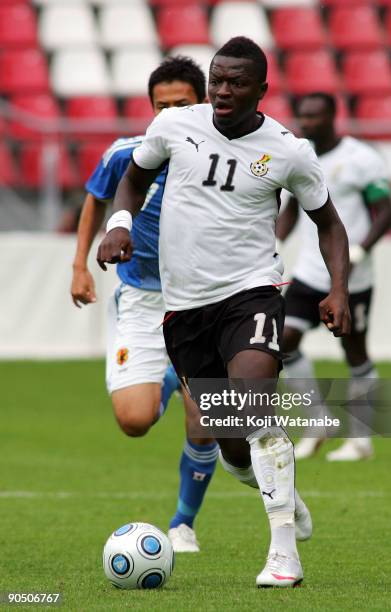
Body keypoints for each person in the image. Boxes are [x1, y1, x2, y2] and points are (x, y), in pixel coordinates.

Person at [97, 37, 351, 587]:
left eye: (236, 82)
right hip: (185, 307)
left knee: (255, 407)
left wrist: (338, 290)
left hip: (251, 293)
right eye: (217, 80)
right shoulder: (174, 125)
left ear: (262, 89)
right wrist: (118, 225)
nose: (223, 91)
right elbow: (133, 179)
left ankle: (283, 551)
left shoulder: (288, 150)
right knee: (232, 441)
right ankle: (281, 493)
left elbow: (328, 222)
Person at [71, 56, 219, 553]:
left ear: (202, 102)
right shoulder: (127, 153)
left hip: (204, 300)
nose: (172, 112)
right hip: (141, 297)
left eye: (182, 104)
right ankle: (170, 376)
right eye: (162, 105)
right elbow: (96, 197)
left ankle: (183, 523)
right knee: (134, 421)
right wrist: (79, 266)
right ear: (150, 108)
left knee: (210, 419)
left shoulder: (223, 158)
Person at [277, 92, 391, 461]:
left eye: (315, 116)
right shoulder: (302, 158)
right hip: (309, 273)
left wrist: (360, 250)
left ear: (333, 116)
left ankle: (361, 440)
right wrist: (273, 242)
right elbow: (292, 209)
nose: (308, 123)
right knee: (283, 341)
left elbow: (387, 212)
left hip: (352, 276)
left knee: (354, 351)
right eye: (303, 116)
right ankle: (318, 422)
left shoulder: (361, 159)